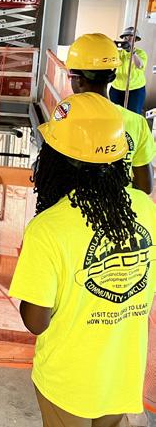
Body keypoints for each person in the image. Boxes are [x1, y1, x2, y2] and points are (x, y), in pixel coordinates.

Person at [10, 92, 155, 426]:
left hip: (68, 381)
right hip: (121, 375)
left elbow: (36, 321)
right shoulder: (146, 211)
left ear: (57, 160)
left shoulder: (49, 228)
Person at [66, 32, 154, 194]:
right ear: (111, 77)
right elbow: (145, 187)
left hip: (75, 204)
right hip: (121, 206)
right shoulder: (137, 123)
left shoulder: (66, 120)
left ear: (79, 79)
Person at [109, 26, 148, 115]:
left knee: (133, 114)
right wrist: (111, 47)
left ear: (135, 40)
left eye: (131, 37)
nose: (127, 39)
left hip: (135, 89)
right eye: (125, 37)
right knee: (116, 114)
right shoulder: (117, 53)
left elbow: (139, 65)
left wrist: (132, 52)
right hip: (116, 88)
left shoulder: (141, 53)